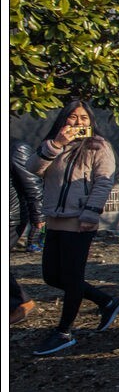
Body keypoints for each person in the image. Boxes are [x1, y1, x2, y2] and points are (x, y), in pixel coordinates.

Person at [26, 99, 119, 356]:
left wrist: (91, 214)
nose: (78, 123)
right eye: (73, 117)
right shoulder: (54, 145)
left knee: (72, 278)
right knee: (51, 276)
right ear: (63, 120)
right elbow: (33, 169)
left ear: (91, 121)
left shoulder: (98, 146)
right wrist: (56, 145)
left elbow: (103, 182)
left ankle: (64, 332)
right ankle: (107, 301)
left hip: (80, 220)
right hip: (55, 219)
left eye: (84, 118)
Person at [10, 137, 43, 325]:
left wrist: (38, 217)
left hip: (10, 217)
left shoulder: (16, 148)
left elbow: (32, 183)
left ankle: (21, 301)